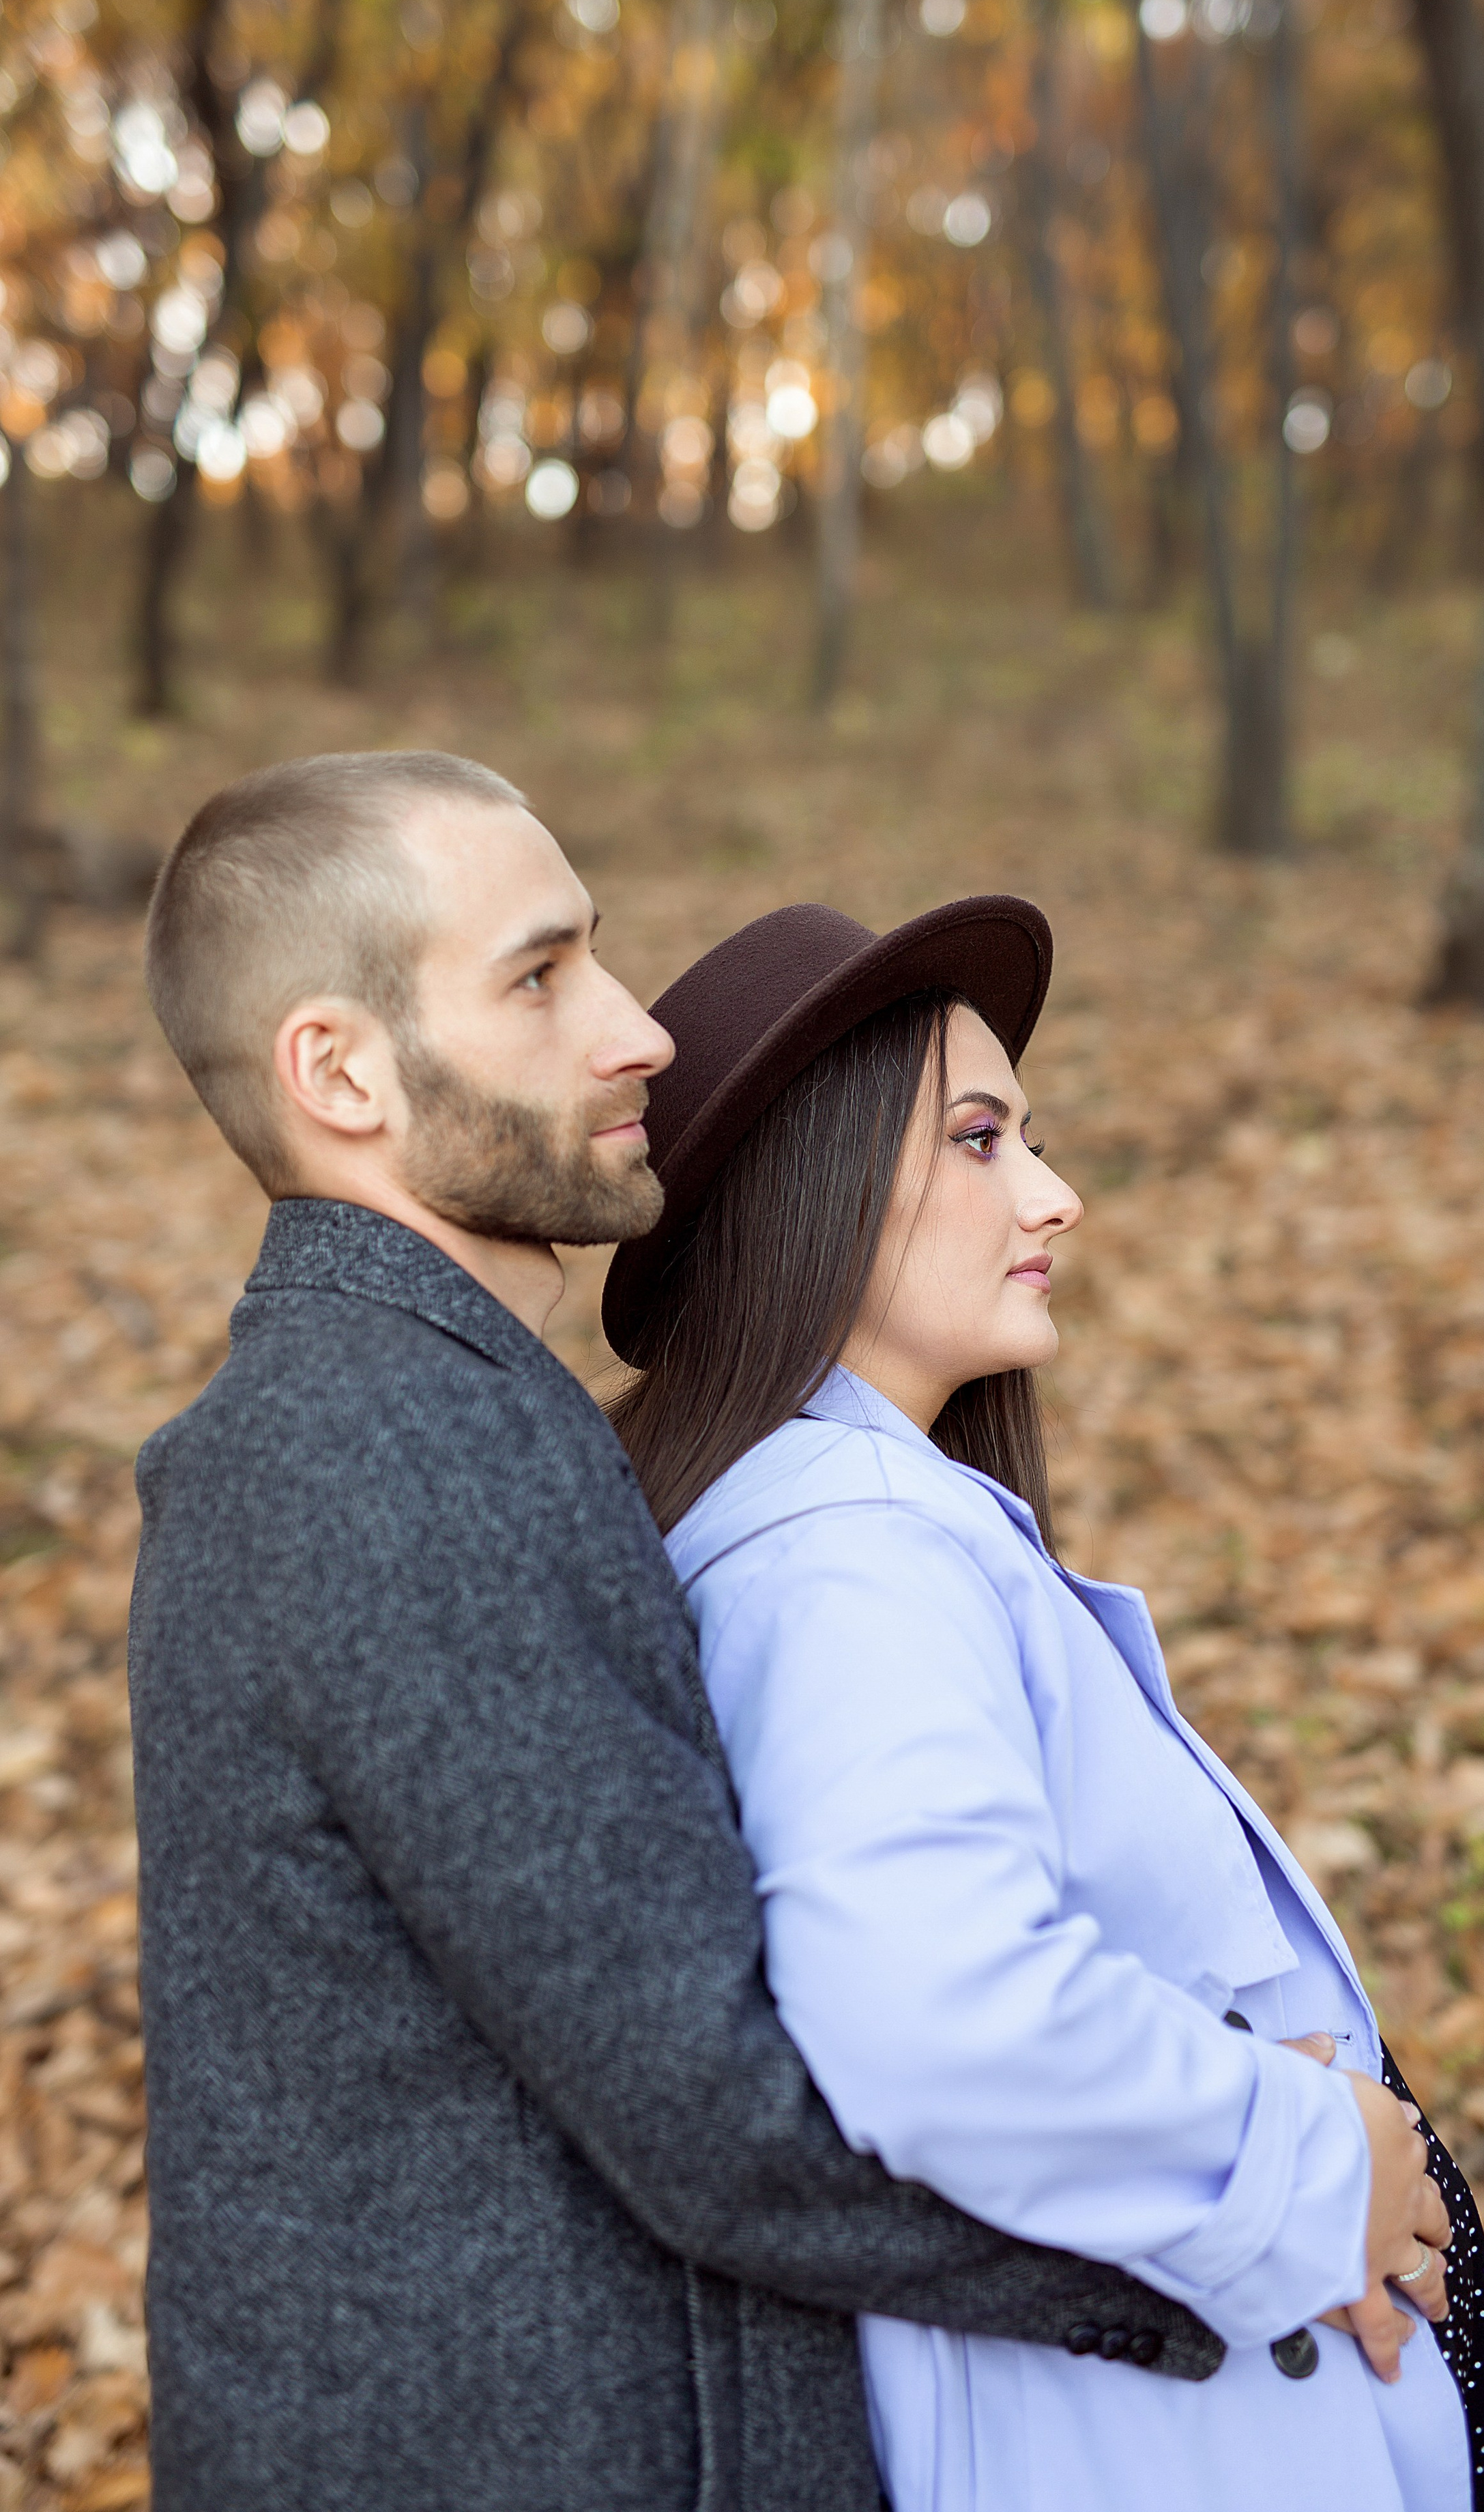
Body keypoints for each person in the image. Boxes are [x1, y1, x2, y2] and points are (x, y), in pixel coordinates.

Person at [128, 755, 1245, 2512]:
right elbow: (712, 2123)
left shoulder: (430, 1414)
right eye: (540, 976)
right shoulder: (386, 1455)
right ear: (339, 1070)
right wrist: (1230, 2247)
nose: (640, 1030)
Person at [602, 895, 1484, 2512]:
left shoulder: (853, 1528)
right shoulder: (850, 1558)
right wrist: (1307, 2157)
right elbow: (931, 2012)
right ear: (809, 1184)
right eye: (977, 1139)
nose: (1054, 1194)